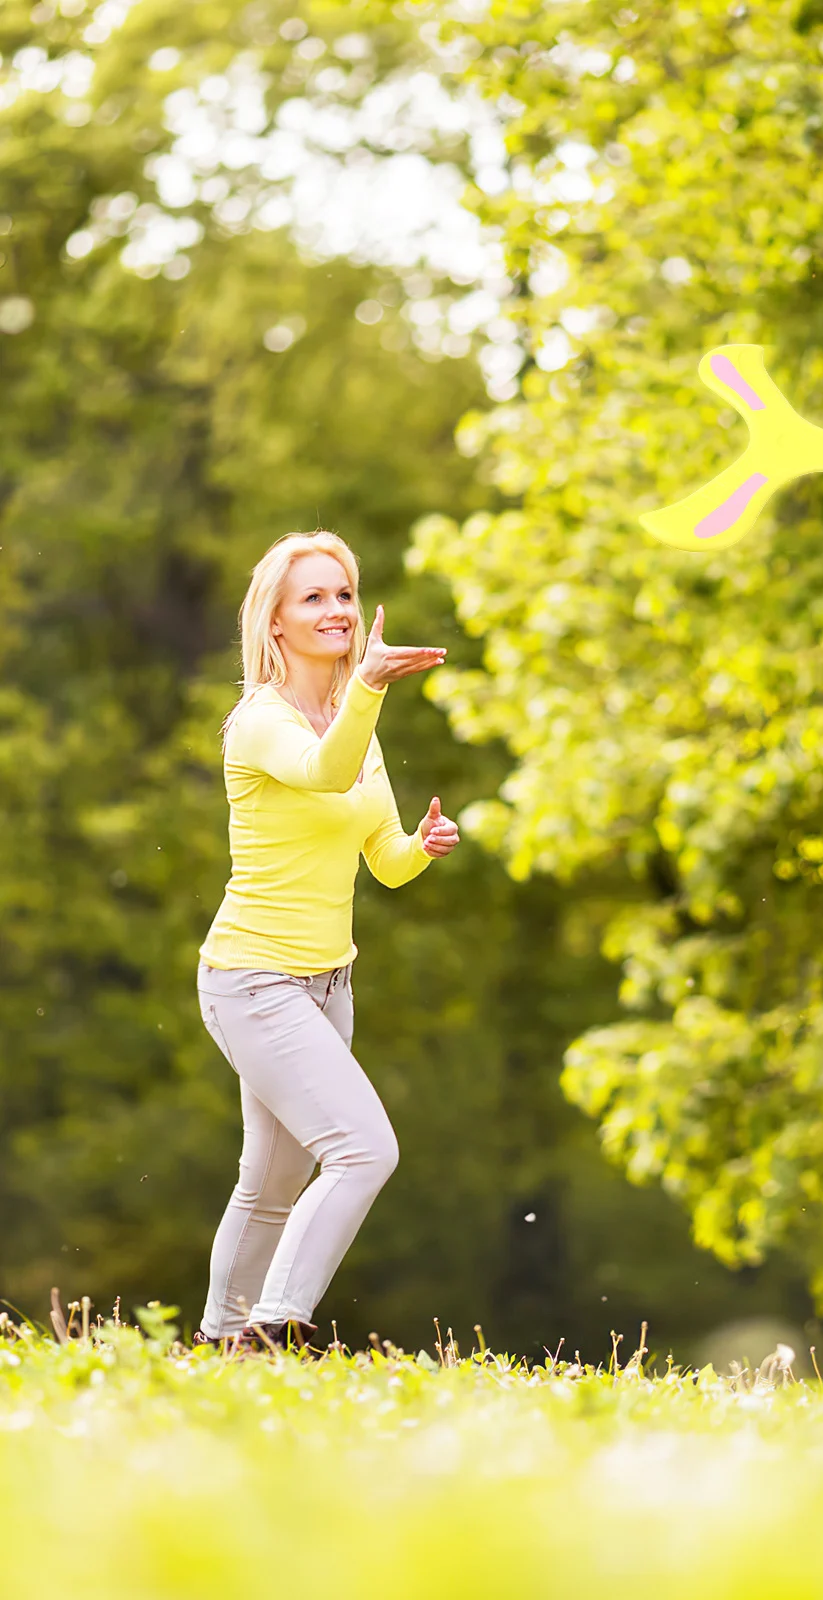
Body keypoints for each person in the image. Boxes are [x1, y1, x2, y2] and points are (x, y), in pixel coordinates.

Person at [193, 532, 460, 1351]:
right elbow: (323, 772)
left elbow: (385, 862)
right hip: (253, 980)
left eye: (344, 593)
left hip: (327, 987)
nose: (336, 609)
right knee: (363, 1151)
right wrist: (369, 689)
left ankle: (217, 1348)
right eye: (313, 597)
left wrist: (422, 846)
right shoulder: (258, 723)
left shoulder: (355, 727)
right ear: (274, 621)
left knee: (274, 1182)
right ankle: (270, 1330)